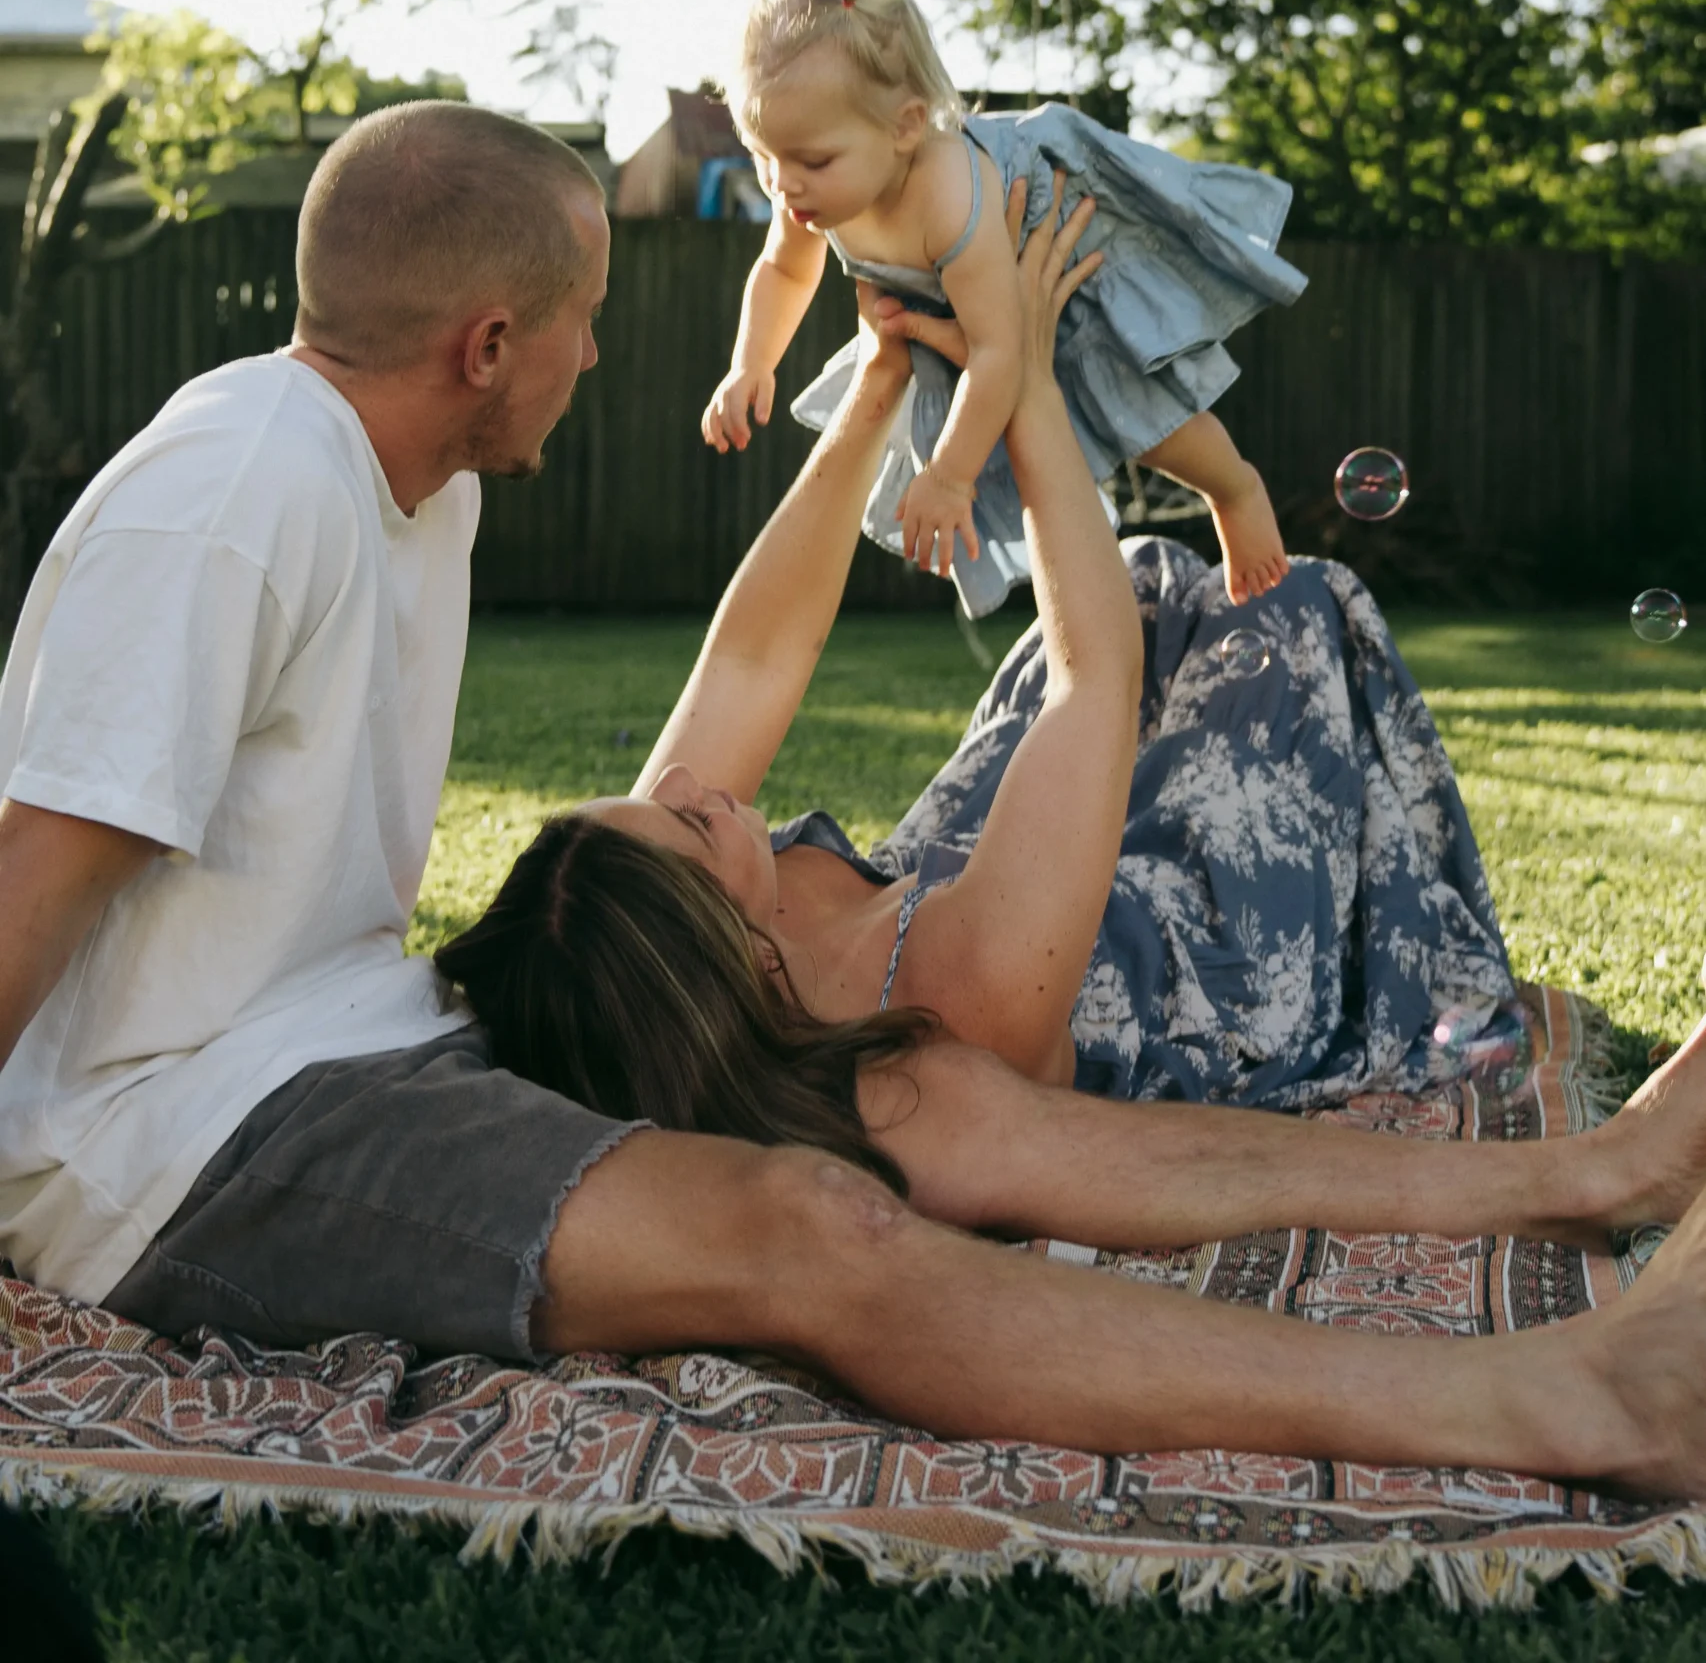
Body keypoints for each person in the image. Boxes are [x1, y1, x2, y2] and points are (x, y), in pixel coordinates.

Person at [5, 99, 1706, 1505]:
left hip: (371, 1034)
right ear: (489, 340)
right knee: (803, 1221)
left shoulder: (409, 491)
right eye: (587, 321)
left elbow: (736, 683)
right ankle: (1569, 1405)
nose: (600, 356)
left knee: (918, 1103)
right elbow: (33, 881)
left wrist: (900, 381)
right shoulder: (233, 494)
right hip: (190, 1143)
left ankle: (1591, 1183)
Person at [440, 177, 1517, 1123]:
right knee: (1289, 618)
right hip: (1181, 937)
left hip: (991, 858)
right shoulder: (958, 1011)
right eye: (678, 813)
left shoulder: (648, 904)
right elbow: (1093, 678)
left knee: (1146, 582)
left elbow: (749, 661)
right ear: (733, 955)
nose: (679, 778)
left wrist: (878, 376)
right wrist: (1027, 371)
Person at [701, 0, 1303, 615]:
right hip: (967, 303)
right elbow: (786, 269)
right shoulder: (807, 191)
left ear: (905, 127)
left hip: (1054, 258)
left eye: (811, 161)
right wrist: (750, 364)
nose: (782, 185)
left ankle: (1236, 489)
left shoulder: (946, 194)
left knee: (1136, 408)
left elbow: (997, 352)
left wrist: (951, 478)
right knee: (1011, 431)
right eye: (763, 156)